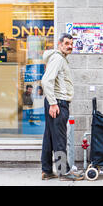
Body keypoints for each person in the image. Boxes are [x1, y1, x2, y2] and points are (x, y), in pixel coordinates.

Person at [40, 33, 82, 181]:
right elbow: (46, 81)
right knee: (59, 138)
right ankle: (63, 172)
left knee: (50, 137)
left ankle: (46, 170)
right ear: (59, 44)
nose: (69, 46)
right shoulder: (58, 58)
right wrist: (53, 103)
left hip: (55, 102)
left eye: (71, 43)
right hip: (58, 103)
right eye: (66, 43)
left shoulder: (59, 58)